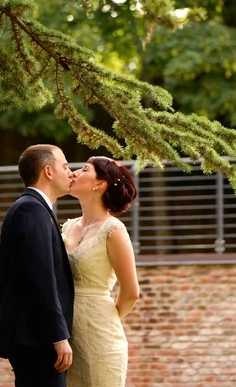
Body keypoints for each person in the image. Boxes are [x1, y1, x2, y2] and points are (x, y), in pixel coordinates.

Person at [0, 144, 75, 387]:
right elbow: (41, 278)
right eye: (65, 166)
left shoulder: (34, 208)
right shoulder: (31, 209)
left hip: (35, 339)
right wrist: (58, 336)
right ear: (48, 172)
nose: (71, 172)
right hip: (37, 340)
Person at [61, 156, 140, 387]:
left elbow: (131, 292)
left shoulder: (113, 230)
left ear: (100, 184)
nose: (73, 173)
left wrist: (102, 316)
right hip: (65, 336)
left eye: (84, 170)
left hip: (100, 338)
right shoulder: (68, 227)